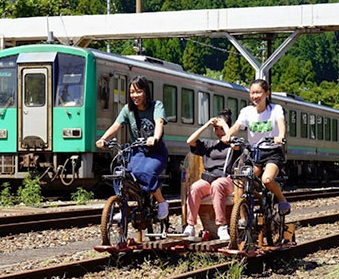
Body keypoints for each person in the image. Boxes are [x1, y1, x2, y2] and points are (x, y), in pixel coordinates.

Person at [96, 75, 169, 219]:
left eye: (138, 91)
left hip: (156, 152)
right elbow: (116, 126)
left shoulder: (156, 106)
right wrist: (103, 139)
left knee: (147, 172)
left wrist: (155, 137)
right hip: (138, 151)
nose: (135, 95)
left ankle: (162, 202)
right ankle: (122, 207)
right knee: (121, 173)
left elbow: (159, 123)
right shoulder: (127, 110)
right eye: (132, 92)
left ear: (146, 92)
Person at [225, 79, 290, 215]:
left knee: (267, 180)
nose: (255, 96)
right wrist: (228, 135)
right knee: (243, 180)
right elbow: (237, 125)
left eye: (258, 92)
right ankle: (242, 218)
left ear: (267, 93)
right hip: (254, 153)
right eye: (252, 93)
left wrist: (281, 136)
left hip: (272, 152)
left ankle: (282, 199)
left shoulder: (275, 110)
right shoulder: (247, 111)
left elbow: (281, 123)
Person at [183, 110, 240, 241]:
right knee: (195, 187)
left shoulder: (234, 144)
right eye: (216, 129)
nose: (219, 132)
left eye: (222, 128)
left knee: (217, 185)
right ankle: (190, 226)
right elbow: (189, 141)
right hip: (208, 179)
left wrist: (227, 128)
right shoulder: (209, 145)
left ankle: (222, 226)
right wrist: (207, 124)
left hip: (227, 180)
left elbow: (235, 145)